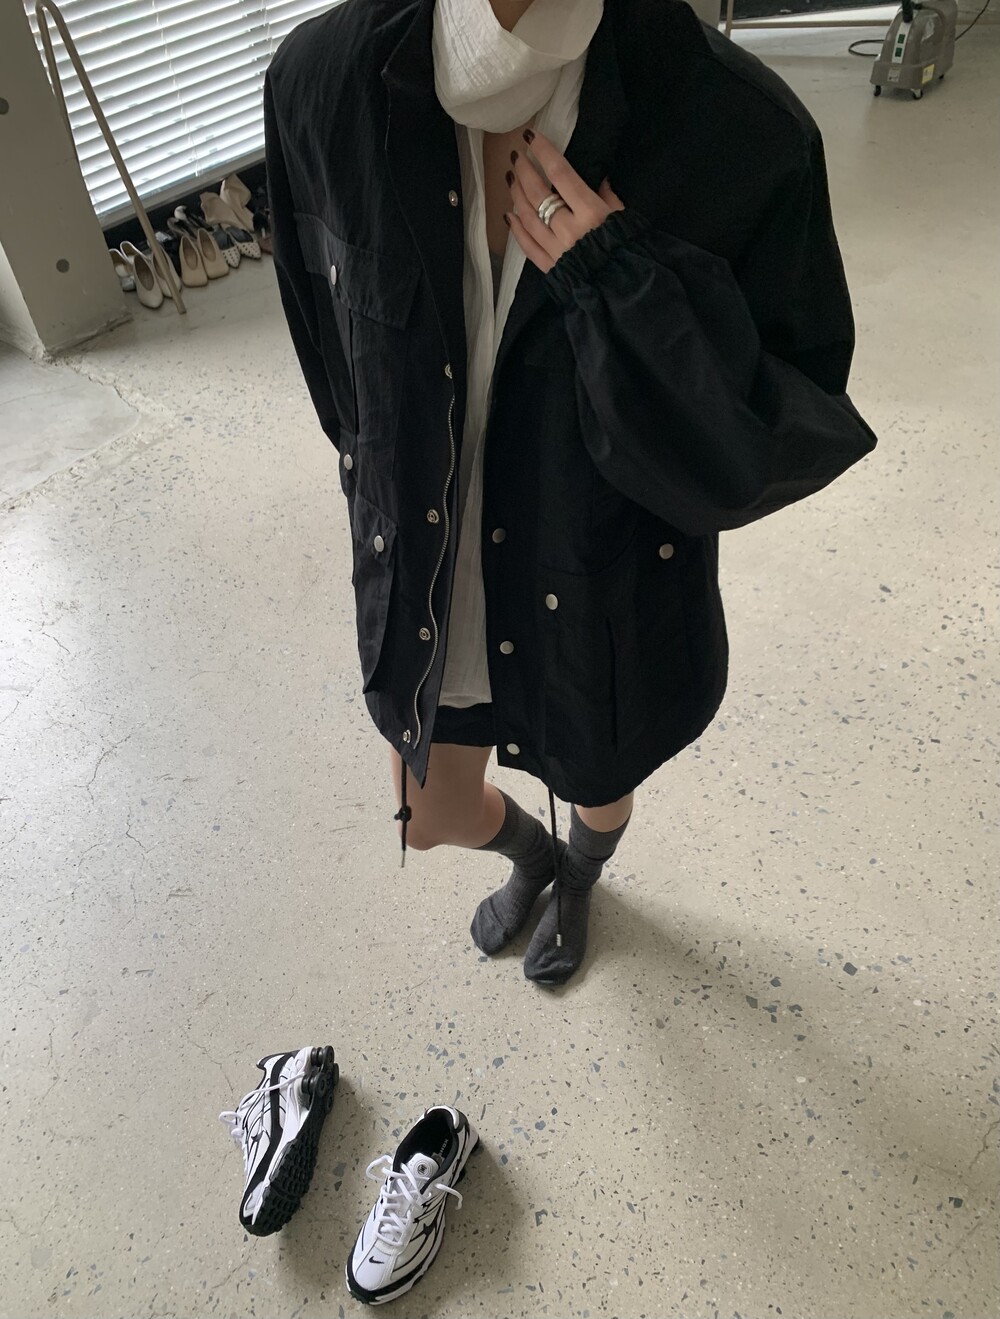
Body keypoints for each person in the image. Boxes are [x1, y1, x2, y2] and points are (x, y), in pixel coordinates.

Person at [263, 0, 878, 987]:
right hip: (428, 572)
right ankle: (536, 857)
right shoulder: (320, 81)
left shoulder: (734, 128)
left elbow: (775, 438)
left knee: (596, 775)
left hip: (594, 573)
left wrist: (622, 289)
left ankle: (582, 873)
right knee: (426, 813)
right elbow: (331, 360)